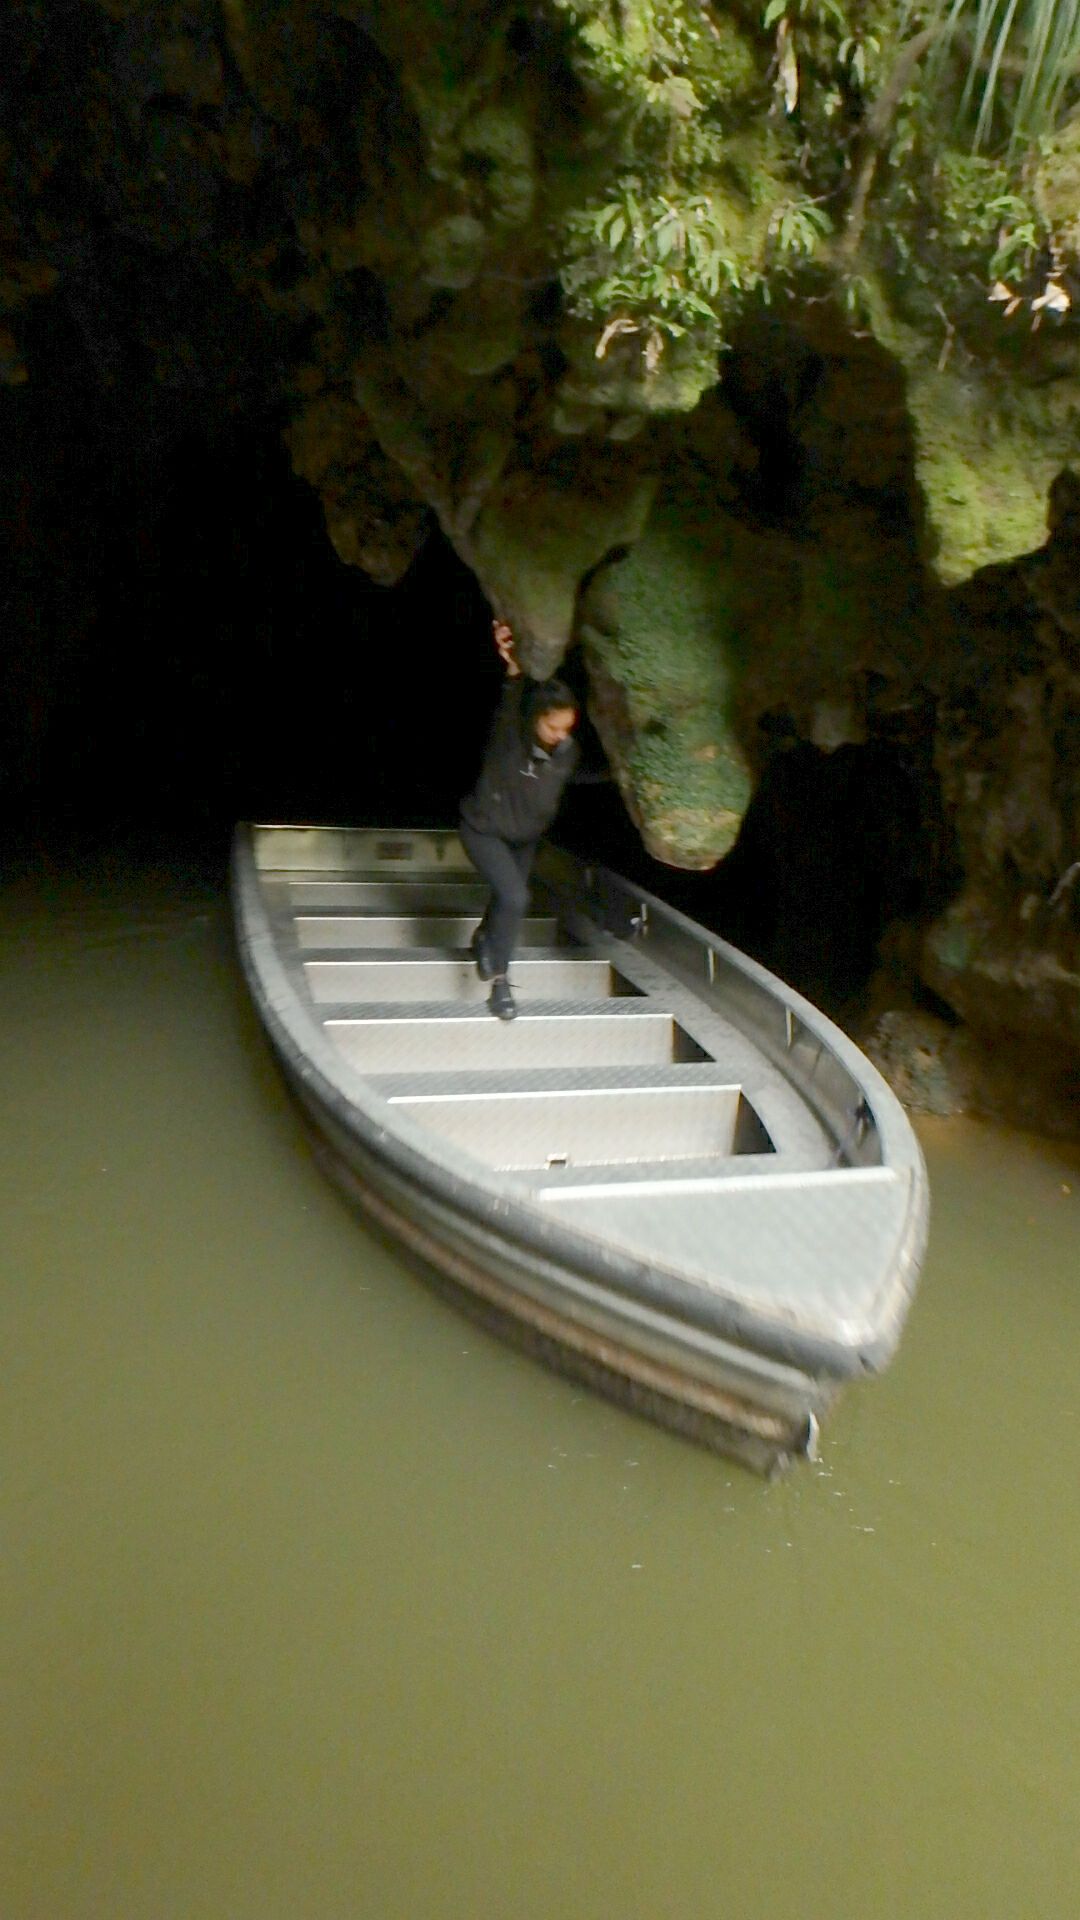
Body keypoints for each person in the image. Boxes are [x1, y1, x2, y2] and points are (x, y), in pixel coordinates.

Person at [459, 619, 581, 1021]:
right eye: (552, 726)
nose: (560, 735)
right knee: (515, 897)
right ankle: (500, 983)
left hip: (524, 838)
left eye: (567, 728)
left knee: (503, 899)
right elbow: (512, 697)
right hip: (484, 829)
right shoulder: (511, 737)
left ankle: (483, 938)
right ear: (536, 720)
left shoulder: (567, 753)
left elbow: (581, 776)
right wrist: (511, 662)